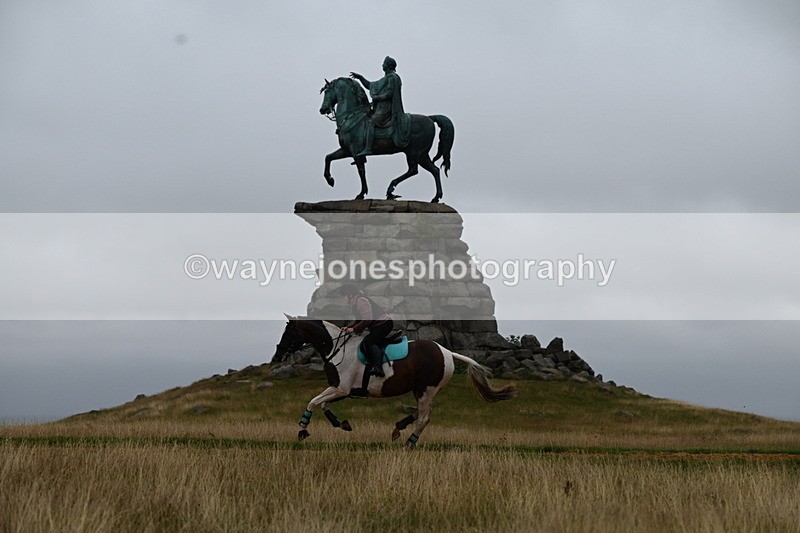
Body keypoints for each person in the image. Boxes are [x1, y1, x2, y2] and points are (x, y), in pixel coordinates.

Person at [350, 56, 410, 156]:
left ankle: (368, 149)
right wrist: (360, 77)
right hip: (379, 108)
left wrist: (378, 98)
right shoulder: (384, 79)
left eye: (384, 63)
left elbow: (390, 93)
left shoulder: (393, 77)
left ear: (388, 65)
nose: (382, 64)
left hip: (387, 109)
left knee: (371, 122)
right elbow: (370, 86)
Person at [337, 284, 392, 377]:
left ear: (349, 294)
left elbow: (367, 320)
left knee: (368, 342)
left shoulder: (361, 301)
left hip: (384, 324)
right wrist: (349, 327)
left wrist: (353, 329)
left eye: (342, 296)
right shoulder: (356, 302)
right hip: (379, 325)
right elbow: (359, 320)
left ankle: (378, 367)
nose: (342, 299)